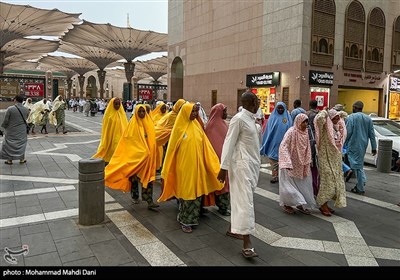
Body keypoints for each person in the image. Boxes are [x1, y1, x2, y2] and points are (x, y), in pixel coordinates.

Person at [158, 103, 223, 233]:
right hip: (184, 169)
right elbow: (171, 151)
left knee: (196, 191)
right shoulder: (179, 129)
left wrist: (213, 164)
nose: (194, 114)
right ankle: (185, 220)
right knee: (187, 192)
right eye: (192, 112)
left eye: (195, 112)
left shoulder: (197, 127)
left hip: (198, 167)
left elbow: (206, 147)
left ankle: (193, 218)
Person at [217, 91, 262, 259]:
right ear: (251, 103)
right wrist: (224, 168)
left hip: (252, 166)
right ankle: (247, 243)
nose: (259, 104)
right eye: (257, 101)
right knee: (245, 203)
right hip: (241, 167)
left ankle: (234, 229)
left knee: (242, 201)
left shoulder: (251, 119)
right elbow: (229, 143)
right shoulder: (239, 119)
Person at [105, 104, 158, 209]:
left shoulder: (149, 124)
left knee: (148, 179)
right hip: (135, 159)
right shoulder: (132, 126)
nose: (142, 114)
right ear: (136, 113)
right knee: (134, 179)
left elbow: (153, 142)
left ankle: (149, 201)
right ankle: (135, 196)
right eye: (140, 112)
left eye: (144, 112)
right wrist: (139, 152)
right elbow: (128, 142)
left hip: (147, 159)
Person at [278, 113, 317, 215]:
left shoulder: (305, 133)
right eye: (303, 122)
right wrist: (286, 161)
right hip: (290, 165)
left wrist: (309, 160)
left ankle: (300, 204)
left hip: (302, 164)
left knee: (303, 184)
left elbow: (307, 148)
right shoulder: (291, 132)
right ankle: (287, 204)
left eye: (306, 122)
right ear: (298, 122)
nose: (305, 124)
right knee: (288, 186)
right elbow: (283, 146)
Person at [314, 109, 347, 216]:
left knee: (335, 180)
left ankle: (326, 203)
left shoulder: (337, 127)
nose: (337, 119)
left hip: (335, 158)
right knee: (327, 180)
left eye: (338, 117)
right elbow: (318, 119)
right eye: (335, 118)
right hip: (325, 156)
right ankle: (322, 204)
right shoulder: (324, 125)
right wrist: (324, 112)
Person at [345, 101, 377, 195]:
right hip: (363, 145)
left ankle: (361, 186)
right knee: (359, 164)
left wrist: (342, 142)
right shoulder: (368, 118)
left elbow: (348, 132)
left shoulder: (352, 117)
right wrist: (374, 147)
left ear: (355, 107)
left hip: (353, 144)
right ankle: (362, 181)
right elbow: (372, 134)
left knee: (357, 166)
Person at [204, 103, 230, 216]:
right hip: (214, 161)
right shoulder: (211, 127)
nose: (226, 113)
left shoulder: (223, 124)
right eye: (224, 111)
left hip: (223, 161)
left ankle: (223, 207)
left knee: (224, 184)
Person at [260, 102, 292, 183]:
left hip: (285, 143)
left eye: (282, 108)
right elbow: (268, 130)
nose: (280, 110)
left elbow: (291, 129)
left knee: (283, 159)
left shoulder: (287, 117)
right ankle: (275, 176)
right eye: (279, 108)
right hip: (274, 142)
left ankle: (283, 177)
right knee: (273, 159)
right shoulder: (272, 116)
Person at [93, 97, 128, 164]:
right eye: (115, 104)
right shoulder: (108, 115)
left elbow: (125, 125)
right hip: (111, 137)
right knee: (112, 149)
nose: (117, 106)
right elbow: (106, 128)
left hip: (121, 137)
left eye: (118, 104)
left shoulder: (122, 114)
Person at [1, 94, 29, 165]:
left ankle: (9, 160)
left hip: (11, 129)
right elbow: (26, 119)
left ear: (15, 99)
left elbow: (6, 120)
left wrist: (3, 127)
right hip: (22, 130)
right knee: (21, 144)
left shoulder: (10, 109)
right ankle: (22, 159)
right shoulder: (26, 109)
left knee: (9, 144)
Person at [306, 99, 320, 196]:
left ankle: (312, 187)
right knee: (316, 165)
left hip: (309, 141)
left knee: (310, 164)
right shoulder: (320, 115)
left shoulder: (307, 114)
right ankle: (316, 187)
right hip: (318, 141)